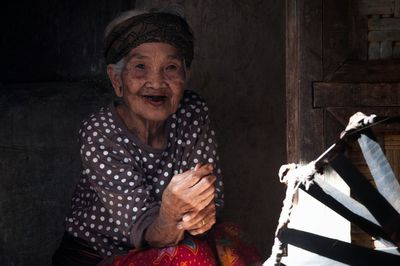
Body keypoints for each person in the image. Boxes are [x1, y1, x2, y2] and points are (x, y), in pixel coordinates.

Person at [52, 7, 225, 266]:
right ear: (116, 79)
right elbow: (148, 233)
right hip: (100, 255)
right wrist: (169, 213)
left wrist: (202, 216)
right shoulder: (100, 133)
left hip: (173, 240)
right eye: (140, 67)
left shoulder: (193, 112)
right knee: (190, 257)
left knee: (231, 242)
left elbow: (209, 197)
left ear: (185, 76)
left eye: (171, 67)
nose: (156, 82)